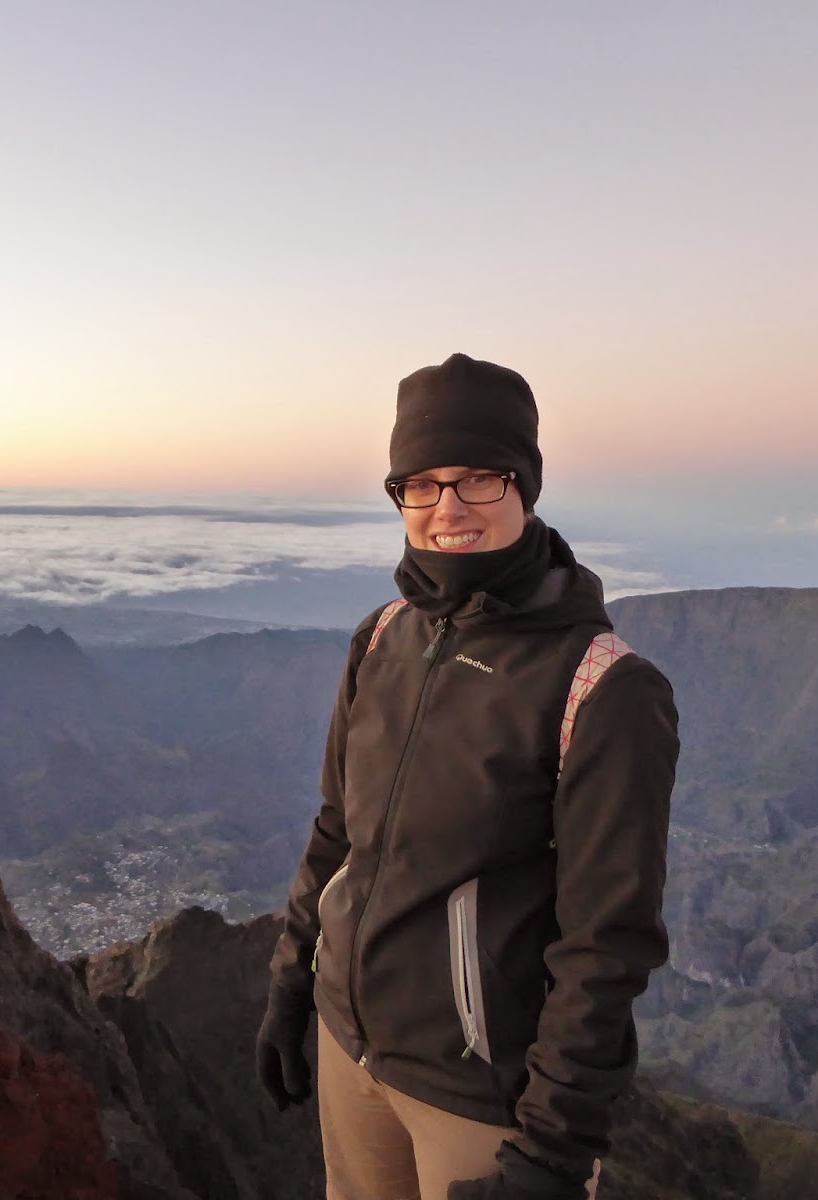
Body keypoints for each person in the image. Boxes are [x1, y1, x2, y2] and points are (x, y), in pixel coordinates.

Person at [255, 353, 679, 1200]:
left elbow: (606, 946)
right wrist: (292, 983)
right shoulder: (381, 639)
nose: (447, 508)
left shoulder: (600, 686)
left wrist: (551, 1155)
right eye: (420, 483)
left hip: (481, 1101)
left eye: (478, 479)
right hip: (353, 1055)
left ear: (524, 486)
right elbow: (338, 832)